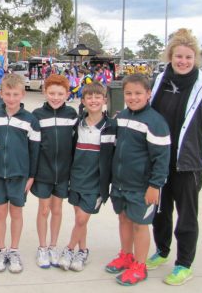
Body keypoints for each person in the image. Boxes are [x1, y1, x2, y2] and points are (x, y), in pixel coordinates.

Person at [147, 28, 202, 285]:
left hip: (188, 165)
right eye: (178, 56)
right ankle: (162, 250)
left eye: (188, 57)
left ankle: (184, 264)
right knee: (160, 211)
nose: (182, 61)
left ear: (196, 59)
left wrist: (191, 145)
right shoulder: (159, 81)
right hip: (160, 161)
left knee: (186, 215)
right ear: (170, 56)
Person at [105, 74, 171, 286]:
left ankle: (140, 266)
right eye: (129, 93)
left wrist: (155, 186)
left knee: (140, 226)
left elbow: (162, 158)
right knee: (123, 219)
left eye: (138, 93)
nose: (133, 97)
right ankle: (126, 255)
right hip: (120, 183)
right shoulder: (121, 116)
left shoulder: (156, 122)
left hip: (142, 187)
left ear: (149, 94)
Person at [59, 82, 116, 272]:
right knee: (78, 219)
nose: (93, 100)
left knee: (82, 219)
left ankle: (69, 249)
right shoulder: (78, 124)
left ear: (104, 100)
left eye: (97, 97)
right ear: (83, 100)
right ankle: (82, 251)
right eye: (89, 97)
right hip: (76, 178)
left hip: (95, 183)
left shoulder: (111, 126)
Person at [0, 73, 40, 273]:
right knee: (0, 212)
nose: (11, 98)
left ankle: (14, 250)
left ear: (22, 94)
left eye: (15, 94)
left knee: (16, 212)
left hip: (20, 175)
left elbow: (35, 150)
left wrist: (31, 176)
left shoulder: (31, 120)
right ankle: (1, 250)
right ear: (1, 94)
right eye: (7, 94)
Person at [31, 74, 77, 268]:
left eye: (60, 93)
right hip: (43, 172)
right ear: (45, 92)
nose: (56, 97)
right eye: (52, 93)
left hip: (64, 173)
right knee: (44, 209)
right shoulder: (37, 115)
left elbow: (76, 144)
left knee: (57, 210)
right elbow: (32, 147)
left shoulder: (72, 115)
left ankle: (53, 246)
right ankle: (42, 247)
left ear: (67, 94)